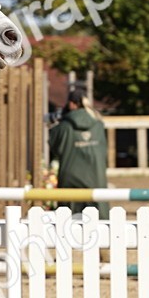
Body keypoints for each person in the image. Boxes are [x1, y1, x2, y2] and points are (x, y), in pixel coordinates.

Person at [48, 86, 109, 217]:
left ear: (71, 103)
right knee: (99, 221)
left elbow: (54, 147)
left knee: (68, 222)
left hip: (70, 181)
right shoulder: (98, 124)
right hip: (96, 179)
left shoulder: (64, 127)